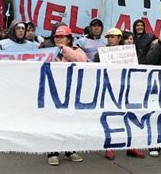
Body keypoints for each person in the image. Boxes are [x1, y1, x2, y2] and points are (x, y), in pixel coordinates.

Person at [93, 28, 146, 160]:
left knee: (129, 117)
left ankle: (131, 146)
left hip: (126, 88)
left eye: (113, 37)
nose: (110, 39)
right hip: (108, 89)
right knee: (109, 118)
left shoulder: (128, 53)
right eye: (108, 37)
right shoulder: (101, 54)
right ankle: (109, 147)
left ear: (119, 38)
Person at [47, 26, 86, 165]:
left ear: (69, 39)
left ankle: (70, 150)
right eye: (57, 37)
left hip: (71, 92)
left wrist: (64, 49)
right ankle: (52, 152)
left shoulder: (76, 50)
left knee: (71, 122)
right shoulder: (49, 51)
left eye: (62, 37)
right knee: (54, 122)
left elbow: (82, 61)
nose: (58, 39)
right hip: (53, 91)